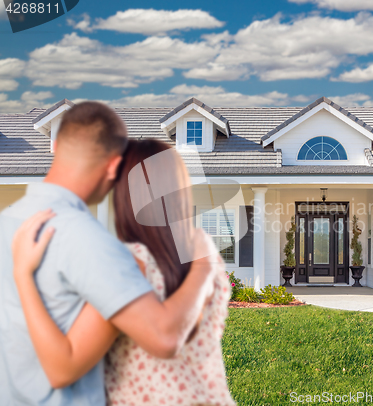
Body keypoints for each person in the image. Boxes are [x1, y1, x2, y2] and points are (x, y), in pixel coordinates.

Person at [0, 102, 219, 406]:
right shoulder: (88, 240)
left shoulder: (7, 222)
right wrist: (204, 267)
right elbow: (164, 338)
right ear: (114, 168)